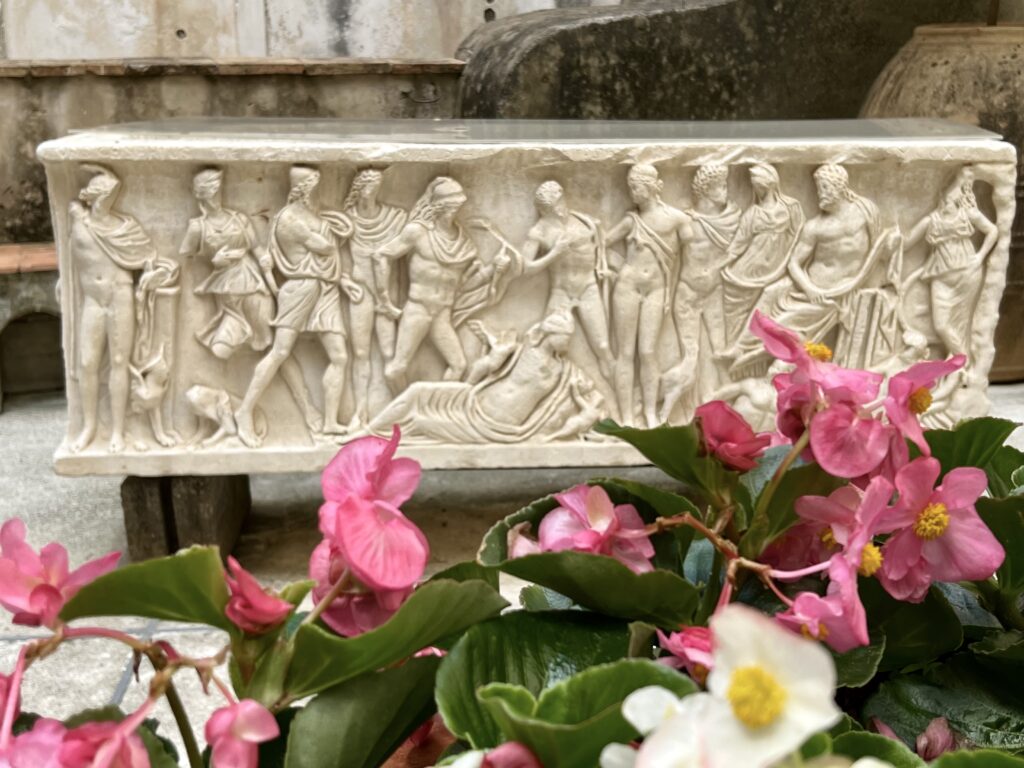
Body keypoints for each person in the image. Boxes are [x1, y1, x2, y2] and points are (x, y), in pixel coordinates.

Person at [234, 166, 362, 446]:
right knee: (280, 351)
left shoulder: (311, 216)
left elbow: (325, 247)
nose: (317, 190)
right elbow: (324, 247)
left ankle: (329, 423)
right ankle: (244, 412)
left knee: (339, 356)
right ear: (303, 187)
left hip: (324, 289)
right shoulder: (290, 217)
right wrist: (331, 225)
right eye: (313, 185)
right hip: (301, 287)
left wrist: (343, 280)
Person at [68, 165, 178, 453]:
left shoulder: (125, 227)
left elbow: (148, 260)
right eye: (100, 194)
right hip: (93, 299)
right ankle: (89, 426)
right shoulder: (78, 219)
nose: (106, 199)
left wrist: (153, 277)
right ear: (90, 197)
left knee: (119, 361)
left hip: (120, 295)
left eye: (110, 194)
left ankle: (118, 431)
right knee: (87, 362)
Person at [368, 312, 603, 443]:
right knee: (418, 390)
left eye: (570, 336)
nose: (568, 341)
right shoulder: (520, 349)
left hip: (497, 424)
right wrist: (494, 355)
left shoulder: (565, 370)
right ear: (549, 333)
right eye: (565, 335)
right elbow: (482, 370)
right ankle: (369, 430)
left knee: (420, 422)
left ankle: (375, 438)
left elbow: (590, 395)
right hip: (475, 400)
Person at [374, 177, 483, 390]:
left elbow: (464, 282)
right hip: (419, 308)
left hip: (442, 312)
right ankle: (400, 416)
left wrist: (496, 271)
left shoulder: (461, 240)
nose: (454, 210)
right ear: (439, 206)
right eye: (450, 206)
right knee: (397, 368)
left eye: (457, 206)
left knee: (459, 365)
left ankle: (434, 410)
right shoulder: (418, 231)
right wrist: (383, 297)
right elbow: (381, 255)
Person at [605, 164, 693, 427]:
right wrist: (617, 267)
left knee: (647, 351)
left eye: (637, 186)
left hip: (657, 289)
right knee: (625, 352)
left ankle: (651, 415)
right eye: (630, 187)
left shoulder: (677, 219)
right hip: (627, 287)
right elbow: (602, 243)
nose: (633, 192)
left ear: (653, 186)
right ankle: (627, 418)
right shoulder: (631, 221)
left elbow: (689, 258)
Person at [661, 164, 743, 421]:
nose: (726, 191)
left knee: (721, 350)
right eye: (720, 186)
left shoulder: (733, 219)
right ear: (706, 190)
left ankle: (725, 408)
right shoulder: (686, 221)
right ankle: (687, 412)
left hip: (715, 293)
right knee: (691, 353)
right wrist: (665, 295)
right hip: (687, 294)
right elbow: (669, 261)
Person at [903, 167, 998, 358]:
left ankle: (959, 366)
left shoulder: (968, 214)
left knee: (962, 322)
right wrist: (890, 239)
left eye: (956, 192)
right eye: (948, 192)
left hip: (967, 274)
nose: (950, 196)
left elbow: (992, 231)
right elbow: (906, 242)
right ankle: (962, 359)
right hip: (941, 276)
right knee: (942, 324)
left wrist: (980, 256)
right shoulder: (931, 220)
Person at [182, 168, 274, 360]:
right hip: (230, 300)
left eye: (218, 191)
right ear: (203, 195)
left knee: (270, 346)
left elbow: (256, 247)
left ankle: (294, 389)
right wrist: (213, 261)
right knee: (220, 351)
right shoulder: (198, 227)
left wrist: (265, 258)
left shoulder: (238, 219)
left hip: (254, 290)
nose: (216, 197)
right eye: (212, 192)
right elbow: (186, 258)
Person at [341, 169, 408, 427]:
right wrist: (344, 281)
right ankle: (360, 412)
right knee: (360, 352)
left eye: (377, 187)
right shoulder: (347, 221)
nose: (372, 192)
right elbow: (337, 261)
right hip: (360, 293)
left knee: (390, 351)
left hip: (386, 297)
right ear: (358, 188)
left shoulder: (394, 218)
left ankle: (401, 407)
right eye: (369, 186)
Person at [720, 163, 804, 347]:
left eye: (760, 184)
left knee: (770, 313)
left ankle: (756, 353)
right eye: (754, 184)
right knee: (736, 313)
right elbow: (738, 245)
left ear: (772, 183)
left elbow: (799, 239)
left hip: (778, 269)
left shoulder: (791, 208)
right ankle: (733, 351)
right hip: (746, 272)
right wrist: (719, 264)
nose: (757, 188)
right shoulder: (752, 214)